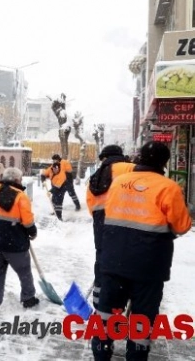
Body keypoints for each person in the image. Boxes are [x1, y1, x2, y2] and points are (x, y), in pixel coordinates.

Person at [92, 141, 192, 361]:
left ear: (139, 157)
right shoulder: (168, 187)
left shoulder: (119, 183)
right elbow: (182, 226)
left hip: (113, 260)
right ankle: (135, 356)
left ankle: (100, 353)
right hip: (148, 266)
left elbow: (110, 213)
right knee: (141, 319)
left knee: (106, 314)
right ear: (164, 162)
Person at [0, 167, 39, 318]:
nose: (21, 182)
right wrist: (32, 232)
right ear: (15, 180)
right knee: (24, 271)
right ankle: (28, 298)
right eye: (20, 180)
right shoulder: (21, 196)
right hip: (14, 242)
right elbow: (27, 220)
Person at [85, 145, 135, 309]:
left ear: (104, 158)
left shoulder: (97, 175)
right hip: (128, 219)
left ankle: (100, 305)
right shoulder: (131, 168)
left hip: (102, 223)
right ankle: (123, 303)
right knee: (129, 261)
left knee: (103, 261)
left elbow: (90, 203)